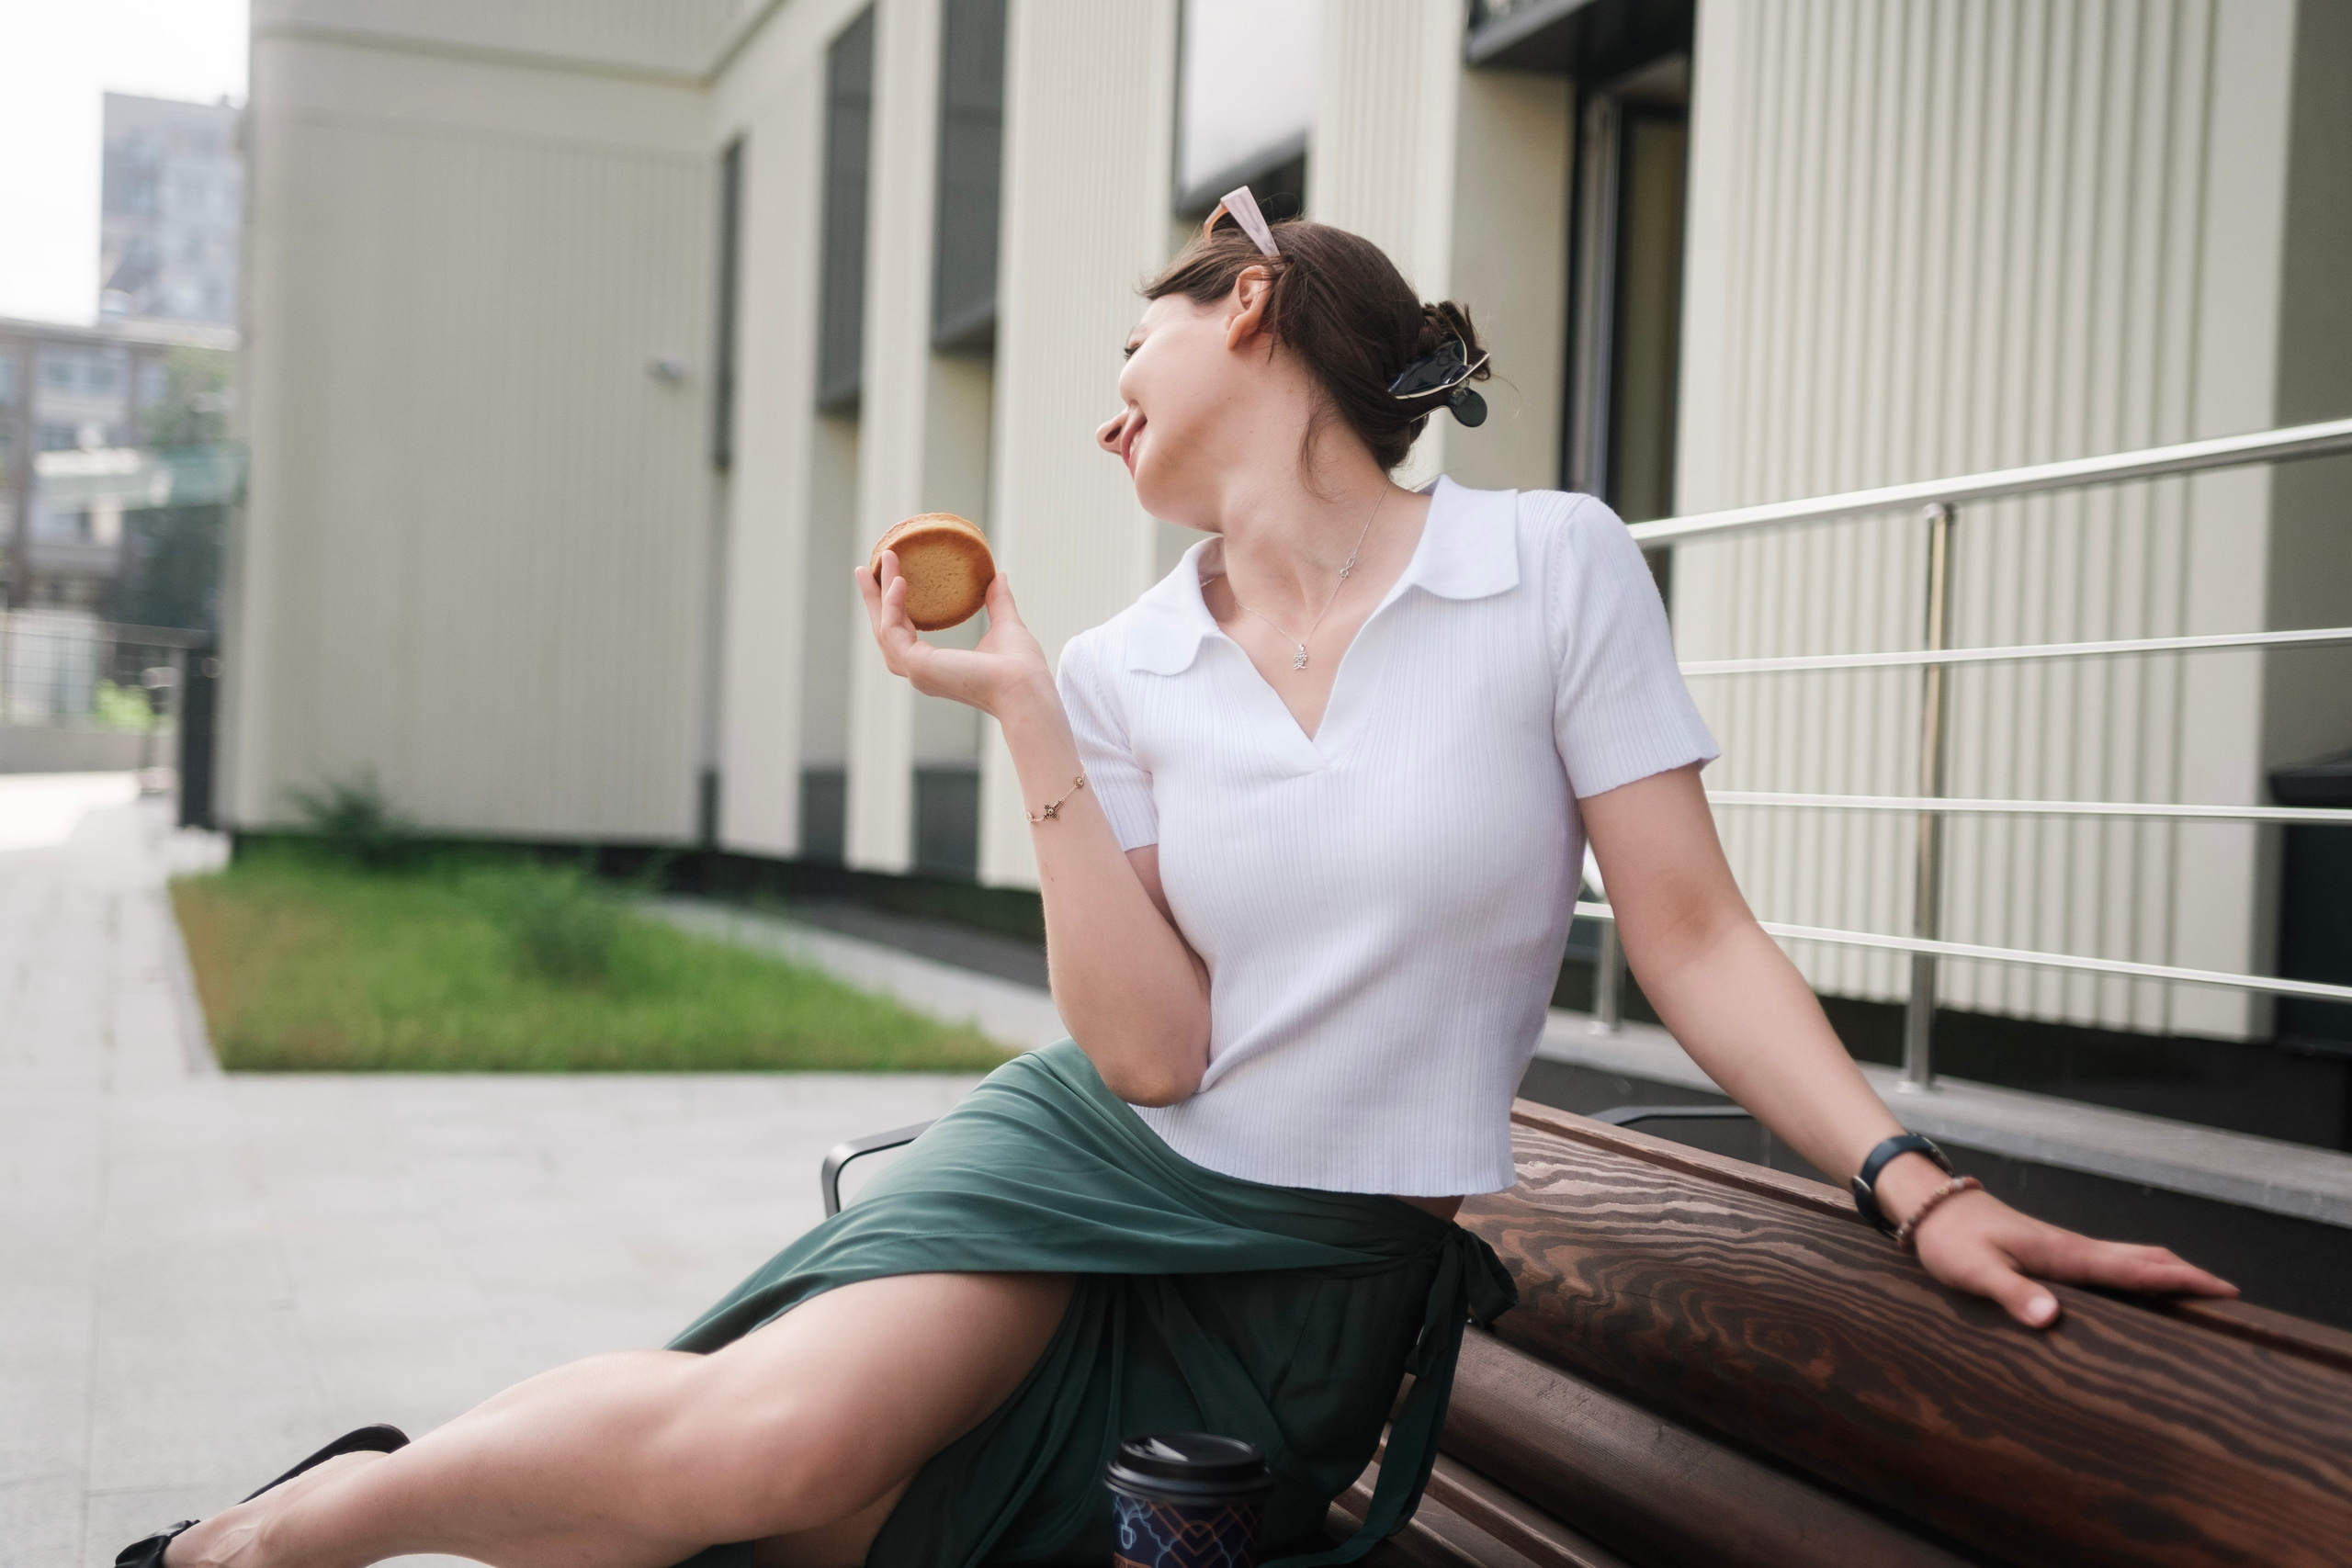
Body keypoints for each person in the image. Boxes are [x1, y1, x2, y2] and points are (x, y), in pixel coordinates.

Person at [130, 192, 2235, 1568]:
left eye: (1128, 352)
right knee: (756, 1460)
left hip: (1310, 1262)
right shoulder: (1126, 665)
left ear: (1247, 298)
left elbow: (1686, 934)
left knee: (818, 1514)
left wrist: (1917, 1184)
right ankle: (298, 1528)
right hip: (1094, 1160)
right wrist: (1032, 710)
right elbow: (1144, 1047)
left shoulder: (1550, 566)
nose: (1104, 405)